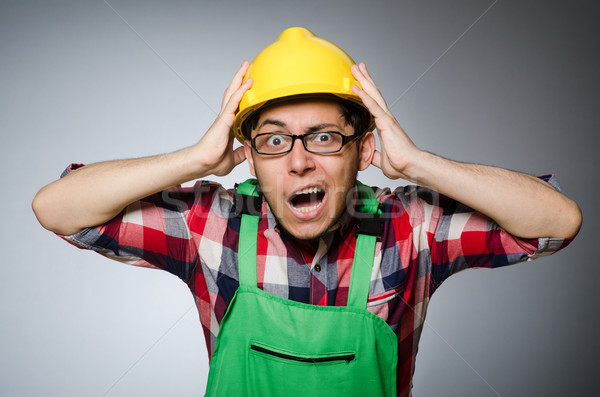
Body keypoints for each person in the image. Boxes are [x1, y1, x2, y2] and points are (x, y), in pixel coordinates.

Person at [32, 27, 581, 396]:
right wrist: (194, 158)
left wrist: (418, 164)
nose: (298, 162)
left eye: (323, 137)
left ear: (363, 149)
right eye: (273, 141)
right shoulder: (212, 224)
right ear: (247, 155)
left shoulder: (410, 227)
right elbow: (58, 208)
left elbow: (557, 223)